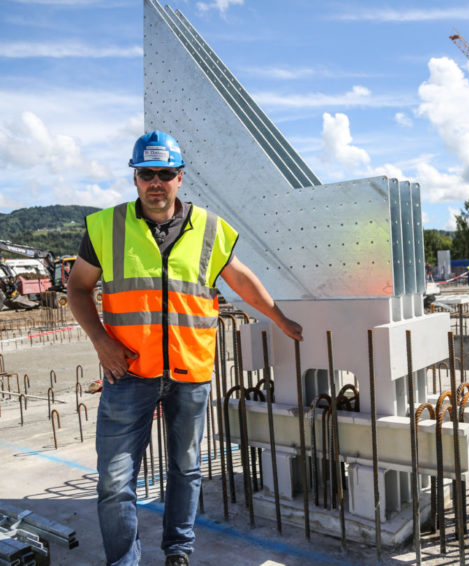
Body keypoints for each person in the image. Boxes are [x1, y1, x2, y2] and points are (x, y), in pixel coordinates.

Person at [68, 130, 303, 566]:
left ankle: (178, 550)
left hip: (189, 374)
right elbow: (78, 289)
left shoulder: (210, 229)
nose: (156, 182)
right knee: (115, 481)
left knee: (186, 469)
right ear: (135, 178)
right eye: (146, 173)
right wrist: (101, 343)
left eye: (165, 173)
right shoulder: (105, 227)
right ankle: (123, 562)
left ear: (180, 177)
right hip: (128, 372)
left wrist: (278, 317)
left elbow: (241, 281)